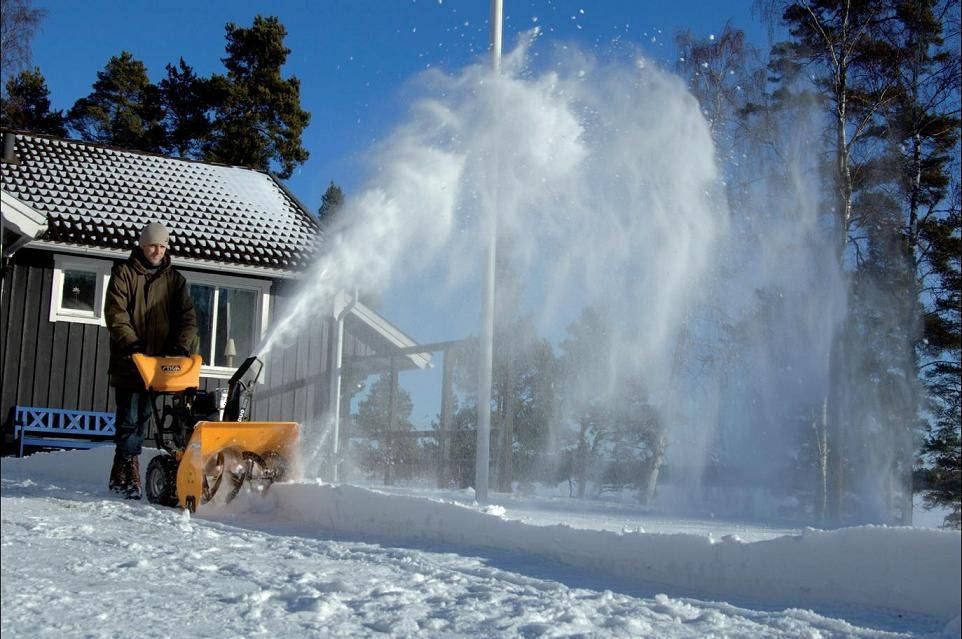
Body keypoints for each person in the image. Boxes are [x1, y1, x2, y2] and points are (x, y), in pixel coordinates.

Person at [104, 222, 197, 499]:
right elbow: (116, 313)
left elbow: (188, 319)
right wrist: (131, 343)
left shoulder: (175, 281)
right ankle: (128, 469)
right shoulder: (124, 274)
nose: (157, 250)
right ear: (143, 245)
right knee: (129, 418)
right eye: (153, 245)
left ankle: (121, 471)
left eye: (162, 246)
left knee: (144, 417)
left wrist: (180, 346)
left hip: (159, 366)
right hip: (130, 363)